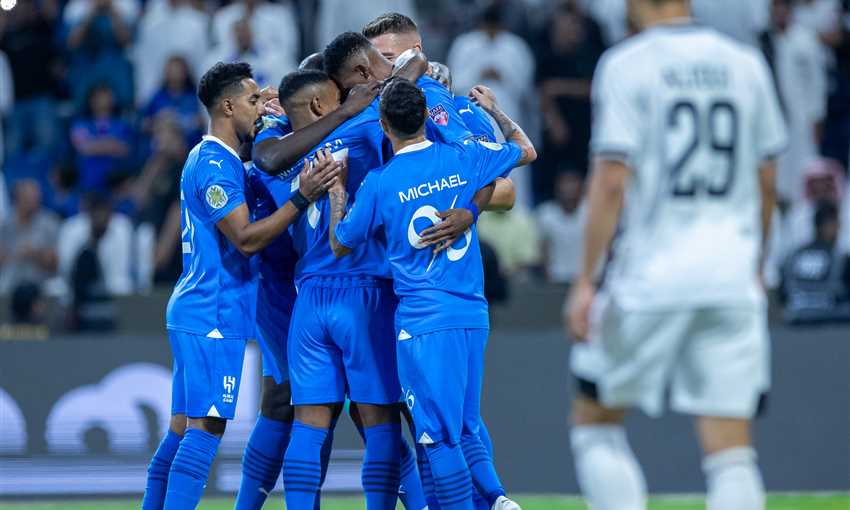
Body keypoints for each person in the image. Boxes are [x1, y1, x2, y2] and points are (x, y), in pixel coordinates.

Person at [564, 1, 788, 510]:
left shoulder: (626, 64)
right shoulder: (745, 63)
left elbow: (611, 179)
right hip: (731, 276)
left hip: (651, 275)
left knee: (595, 421)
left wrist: (584, 281)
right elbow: (768, 178)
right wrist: (756, 260)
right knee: (731, 452)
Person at [139, 62, 342, 510]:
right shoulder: (214, 165)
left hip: (202, 310)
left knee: (180, 431)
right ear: (228, 106)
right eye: (252, 101)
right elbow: (247, 239)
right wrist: (302, 196)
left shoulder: (220, 158)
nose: (260, 109)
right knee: (205, 432)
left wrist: (269, 104)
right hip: (213, 313)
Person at [328, 79, 535, 510]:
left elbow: (340, 242)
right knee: (464, 427)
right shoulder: (462, 154)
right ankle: (497, 500)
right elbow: (525, 148)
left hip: (422, 321)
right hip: (471, 313)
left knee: (436, 437)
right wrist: (494, 110)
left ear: (383, 124)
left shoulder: (382, 182)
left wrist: (335, 191)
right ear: (426, 117)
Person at [232, 69, 377, 510]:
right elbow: (268, 158)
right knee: (298, 402)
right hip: (284, 281)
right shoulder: (279, 134)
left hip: (306, 282)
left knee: (324, 407)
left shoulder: (306, 136)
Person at [760, 0, 827, 205]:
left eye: (783, 7)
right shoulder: (764, 40)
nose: (779, 12)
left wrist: (817, 117)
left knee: (802, 173)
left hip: (801, 118)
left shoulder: (805, 40)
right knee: (776, 176)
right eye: (775, 7)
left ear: (790, 10)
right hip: (772, 116)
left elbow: (818, 82)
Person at [0, 180, 60, 295]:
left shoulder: (50, 223)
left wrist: (35, 254)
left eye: (36, 198)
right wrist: (15, 255)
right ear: (16, 199)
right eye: (28, 199)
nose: (34, 202)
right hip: (8, 286)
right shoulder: (4, 225)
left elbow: (55, 263)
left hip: (41, 286)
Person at [70, 84, 133, 192]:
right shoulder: (80, 124)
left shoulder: (122, 125)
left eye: (106, 95)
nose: (103, 100)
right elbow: (83, 148)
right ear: (91, 100)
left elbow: (125, 150)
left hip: (116, 182)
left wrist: (96, 145)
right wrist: (111, 145)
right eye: (99, 96)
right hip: (86, 183)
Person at [536, 171, 585, 284]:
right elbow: (542, 250)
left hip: (585, 282)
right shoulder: (545, 213)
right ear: (556, 186)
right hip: (555, 281)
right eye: (564, 182)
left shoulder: (592, 213)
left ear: (581, 185)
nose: (569, 187)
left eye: (573, 181)